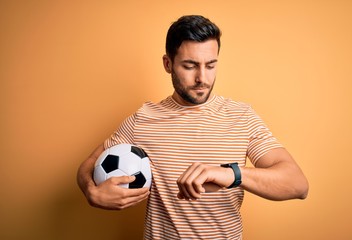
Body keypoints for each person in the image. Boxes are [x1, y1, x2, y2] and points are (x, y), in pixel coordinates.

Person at [77, 15, 309, 239]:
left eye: (210, 65)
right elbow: (89, 164)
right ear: (168, 64)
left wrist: (230, 174)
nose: (202, 78)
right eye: (190, 66)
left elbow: (298, 185)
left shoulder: (242, 117)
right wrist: (91, 190)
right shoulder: (142, 120)